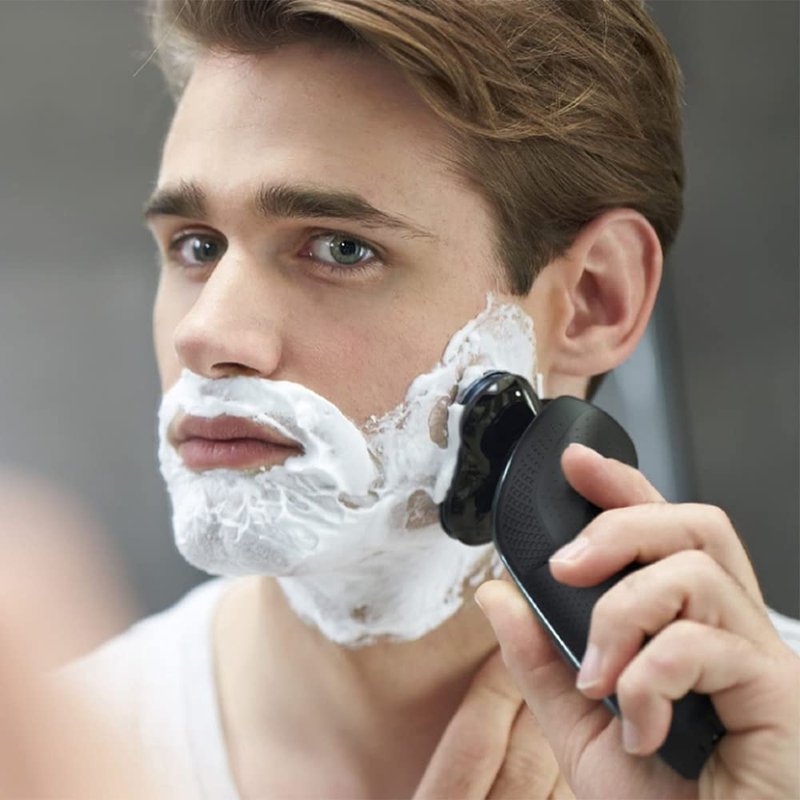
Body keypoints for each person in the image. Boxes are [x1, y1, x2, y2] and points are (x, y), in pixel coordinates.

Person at [43, 1, 798, 798]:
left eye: (340, 247)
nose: (204, 333)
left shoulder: (774, 753)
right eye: (196, 246)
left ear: (592, 301)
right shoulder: (45, 759)